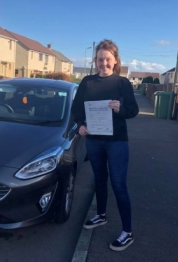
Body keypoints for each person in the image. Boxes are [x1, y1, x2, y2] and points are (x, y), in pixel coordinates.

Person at [71, 39, 139, 251]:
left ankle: (127, 232)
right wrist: (80, 125)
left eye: (108, 59)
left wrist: (121, 108)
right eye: (100, 59)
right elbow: (76, 110)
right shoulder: (87, 82)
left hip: (116, 141)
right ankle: (101, 215)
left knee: (119, 185)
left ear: (115, 60)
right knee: (99, 180)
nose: (104, 63)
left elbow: (133, 110)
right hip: (94, 140)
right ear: (95, 61)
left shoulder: (122, 83)